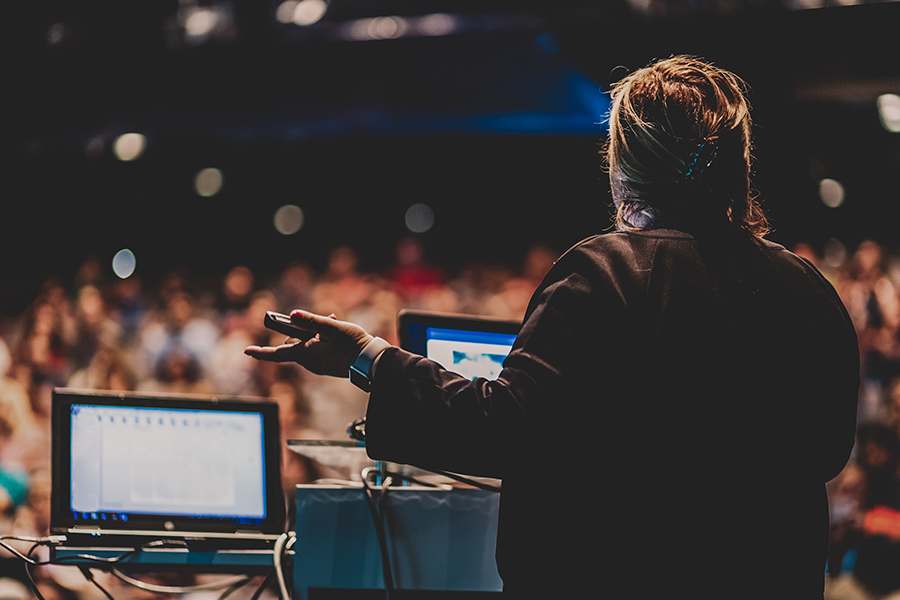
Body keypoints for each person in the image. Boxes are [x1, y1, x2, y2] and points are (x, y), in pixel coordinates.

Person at [245, 56, 860, 599]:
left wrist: (369, 357)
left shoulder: (607, 271)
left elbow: (505, 428)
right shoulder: (806, 287)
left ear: (624, 165)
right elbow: (828, 452)